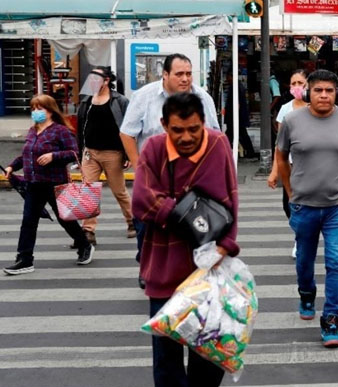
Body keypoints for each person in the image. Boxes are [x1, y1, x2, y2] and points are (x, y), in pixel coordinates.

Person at [132, 92, 239, 387]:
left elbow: (229, 199)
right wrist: (188, 212)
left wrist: (227, 241)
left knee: (210, 348)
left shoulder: (219, 145)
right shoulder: (153, 150)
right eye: (178, 130)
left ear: (203, 123)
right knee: (166, 352)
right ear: (164, 126)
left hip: (208, 265)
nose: (187, 137)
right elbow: (141, 201)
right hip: (163, 263)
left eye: (194, 129)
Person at [275, 70, 338, 348]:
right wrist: (291, 195)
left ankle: (331, 319)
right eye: (318, 90)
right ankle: (306, 293)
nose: (324, 95)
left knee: (336, 261)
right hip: (303, 206)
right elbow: (281, 158)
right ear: (308, 93)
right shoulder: (291, 121)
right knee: (304, 261)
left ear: (336, 93)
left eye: (329, 90)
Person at [120, 53, 220, 289]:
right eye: (179, 74)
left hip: (192, 180)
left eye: (188, 74)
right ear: (165, 75)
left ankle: (189, 271)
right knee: (146, 227)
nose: (185, 79)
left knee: (193, 228)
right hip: (154, 178)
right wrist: (139, 168)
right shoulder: (144, 97)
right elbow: (127, 133)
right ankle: (147, 264)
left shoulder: (202, 98)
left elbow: (215, 134)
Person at [3, 95, 94, 275]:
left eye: (40, 108)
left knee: (65, 218)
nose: (35, 112)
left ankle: (84, 245)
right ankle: (25, 259)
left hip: (54, 183)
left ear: (51, 110)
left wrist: (54, 156)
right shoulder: (32, 130)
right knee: (28, 221)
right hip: (34, 183)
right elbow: (27, 155)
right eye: (33, 109)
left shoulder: (60, 131)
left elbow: (73, 153)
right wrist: (12, 165)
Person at [76, 66, 133, 246]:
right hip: (90, 153)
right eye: (91, 78)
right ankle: (88, 231)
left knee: (119, 191)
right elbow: (80, 129)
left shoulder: (120, 101)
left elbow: (129, 128)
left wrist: (129, 154)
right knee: (88, 192)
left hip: (113, 153)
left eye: (96, 78)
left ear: (107, 80)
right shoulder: (86, 101)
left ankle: (132, 221)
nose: (92, 81)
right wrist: (79, 153)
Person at [269, 69, 309, 259]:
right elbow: (280, 144)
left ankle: (304, 239)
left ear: (307, 85)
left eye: (300, 83)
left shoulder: (314, 107)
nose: (296, 87)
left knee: (309, 205)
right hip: (290, 167)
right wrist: (274, 171)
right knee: (289, 205)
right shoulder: (285, 109)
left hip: (311, 167)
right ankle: (300, 236)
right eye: (293, 83)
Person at [224, 75, 256, 159]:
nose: (227, 79)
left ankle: (224, 151)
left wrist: (235, 115)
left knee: (235, 134)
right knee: (238, 134)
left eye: (228, 77)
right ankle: (249, 152)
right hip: (236, 116)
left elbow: (237, 103)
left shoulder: (235, 87)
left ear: (231, 76)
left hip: (235, 117)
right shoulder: (238, 86)